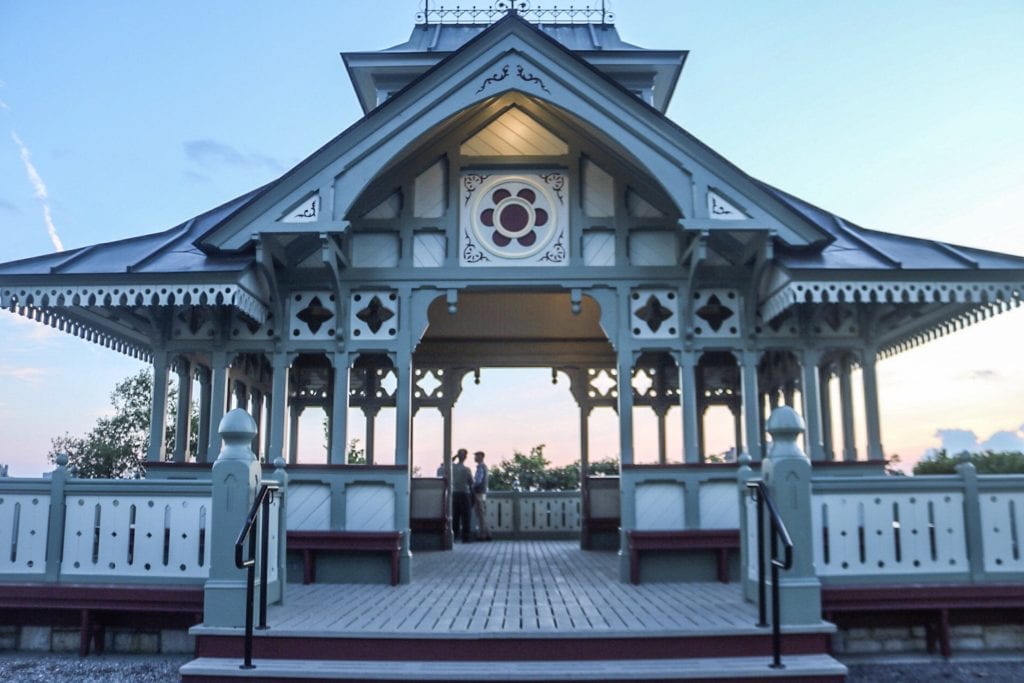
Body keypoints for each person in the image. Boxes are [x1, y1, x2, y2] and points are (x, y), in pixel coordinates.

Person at [450, 449, 473, 543]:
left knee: (455, 516)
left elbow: (446, 463)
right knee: (466, 517)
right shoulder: (467, 469)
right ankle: (465, 538)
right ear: (465, 457)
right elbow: (471, 482)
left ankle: (454, 537)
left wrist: (454, 457)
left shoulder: (452, 467)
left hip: (455, 493)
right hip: (464, 493)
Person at [472, 450, 492, 541]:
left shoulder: (480, 467)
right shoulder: (485, 467)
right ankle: (487, 533)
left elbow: (478, 481)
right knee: (482, 513)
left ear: (480, 457)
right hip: (483, 493)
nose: (475, 458)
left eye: (476, 456)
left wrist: (471, 486)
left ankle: (482, 535)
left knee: (480, 514)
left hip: (479, 493)